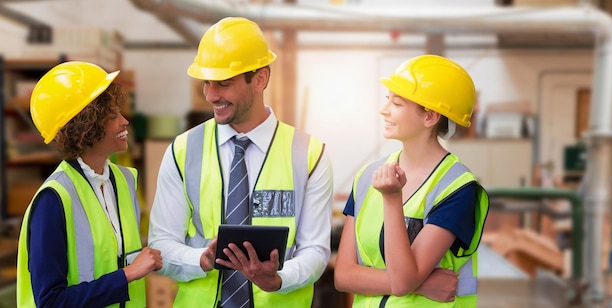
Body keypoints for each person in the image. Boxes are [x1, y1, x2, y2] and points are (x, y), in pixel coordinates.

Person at [148, 16, 334, 307]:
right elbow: (160, 246)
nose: (211, 95)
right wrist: (201, 259)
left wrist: (279, 278)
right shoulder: (182, 150)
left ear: (260, 79)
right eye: (207, 83)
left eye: (223, 83)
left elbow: (315, 250)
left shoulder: (309, 154)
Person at [334, 54, 489, 307]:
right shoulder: (366, 177)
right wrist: (424, 284)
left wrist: (393, 199)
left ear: (430, 117)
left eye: (397, 103)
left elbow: (404, 281)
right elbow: (343, 276)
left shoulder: (458, 188)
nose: (384, 110)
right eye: (388, 100)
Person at [16, 61, 163, 307]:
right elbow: (51, 302)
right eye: (113, 116)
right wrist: (128, 275)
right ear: (85, 125)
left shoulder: (123, 181)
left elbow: (115, 255)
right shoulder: (54, 200)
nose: (125, 121)